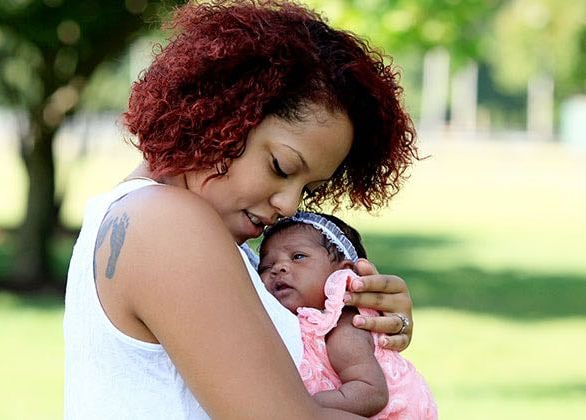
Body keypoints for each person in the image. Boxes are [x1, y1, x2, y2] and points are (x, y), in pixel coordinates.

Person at [63, 0, 419, 418]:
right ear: (222, 115)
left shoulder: (156, 217)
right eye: (281, 167)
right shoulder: (165, 223)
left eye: (309, 189)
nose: (289, 205)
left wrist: (363, 335)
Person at [259, 212, 438, 419]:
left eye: (298, 256)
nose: (278, 268)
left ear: (340, 272)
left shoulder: (344, 326)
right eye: (265, 267)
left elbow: (371, 393)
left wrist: (298, 404)